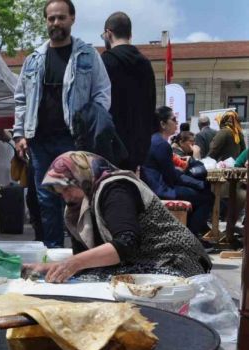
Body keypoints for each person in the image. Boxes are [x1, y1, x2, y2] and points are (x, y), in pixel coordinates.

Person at [23, 151, 211, 283]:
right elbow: (84, 261)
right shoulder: (79, 207)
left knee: (99, 282)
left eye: (67, 188)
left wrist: (74, 263)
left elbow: (126, 243)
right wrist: (47, 268)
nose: (65, 197)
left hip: (175, 262)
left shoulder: (115, 189)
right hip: (142, 262)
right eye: (59, 192)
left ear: (81, 176)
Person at [13, 0, 111, 248]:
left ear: (72, 19)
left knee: (79, 197)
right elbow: (21, 98)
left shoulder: (88, 55)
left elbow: (102, 93)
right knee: (46, 199)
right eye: (51, 18)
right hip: (40, 140)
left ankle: (82, 255)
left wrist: (89, 122)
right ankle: (53, 253)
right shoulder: (34, 59)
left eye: (61, 17)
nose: (55, 22)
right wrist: (19, 134)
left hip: (74, 140)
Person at [142, 106, 214, 236]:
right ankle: (191, 237)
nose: (177, 122)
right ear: (163, 124)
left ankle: (190, 233)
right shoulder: (161, 144)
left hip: (155, 187)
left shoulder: (154, 140)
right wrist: (199, 184)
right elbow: (172, 177)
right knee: (207, 197)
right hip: (161, 190)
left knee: (198, 193)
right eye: (173, 119)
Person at [100, 11, 156, 172]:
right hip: (139, 145)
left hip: (112, 143)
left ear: (108, 33)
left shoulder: (105, 61)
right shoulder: (145, 63)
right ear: (130, 34)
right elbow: (151, 104)